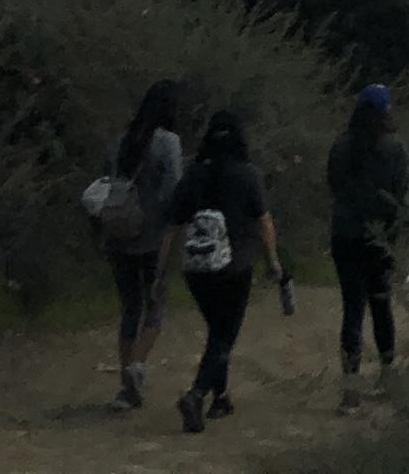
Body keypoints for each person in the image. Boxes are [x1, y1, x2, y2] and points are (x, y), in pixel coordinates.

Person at [155, 109, 285, 434]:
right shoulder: (247, 174)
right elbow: (263, 220)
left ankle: (221, 398)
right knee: (225, 334)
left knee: (217, 331)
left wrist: (159, 276)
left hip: (197, 269)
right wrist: (273, 261)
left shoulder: (194, 175)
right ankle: (198, 393)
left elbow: (170, 227)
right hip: (235, 267)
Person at [327, 83, 409, 413]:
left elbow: (334, 187)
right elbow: (402, 194)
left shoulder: (341, 146)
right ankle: (387, 373)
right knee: (381, 304)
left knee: (352, 309)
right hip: (379, 237)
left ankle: (350, 389)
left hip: (344, 235)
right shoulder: (393, 148)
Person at [99, 80, 184, 411]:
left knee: (129, 308)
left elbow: (103, 183)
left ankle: (124, 384)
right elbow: (173, 190)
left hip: (118, 235)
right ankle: (137, 366)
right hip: (153, 237)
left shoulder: (120, 141)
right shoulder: (168, 143)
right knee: (155, 303)